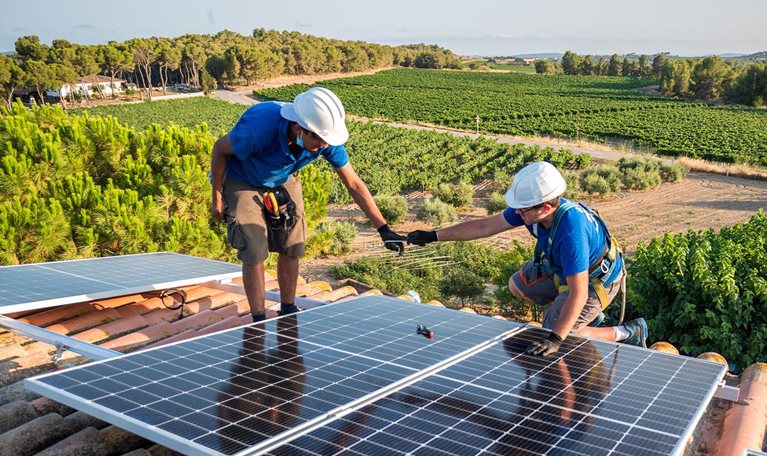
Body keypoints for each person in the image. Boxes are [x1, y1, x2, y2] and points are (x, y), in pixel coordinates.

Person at [407, 161, 648, 356]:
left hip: (595, 282)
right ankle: (577, 315)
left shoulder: (571, 233)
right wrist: (433, 236)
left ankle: (626, 332)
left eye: (523, 210)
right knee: (516, 285)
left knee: (560, 333)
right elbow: (484, 226)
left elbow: (579, 293)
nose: (518, 214)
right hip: (562, 270)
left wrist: (555, 338)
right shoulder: (531, 211)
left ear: (545, 207)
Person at [211, 87, 406, 321]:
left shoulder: (325, 137)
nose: (325, 145)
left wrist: (383, 229)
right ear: (298, 126)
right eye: (320, 140)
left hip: (282, 178)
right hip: (241, 178)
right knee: (254, 250)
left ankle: (288, 308)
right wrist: (218, 197)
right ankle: (259, 319)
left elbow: (353, 183)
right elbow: (220, 150)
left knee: (293, 244)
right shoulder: (259, 128)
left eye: (327, 140)